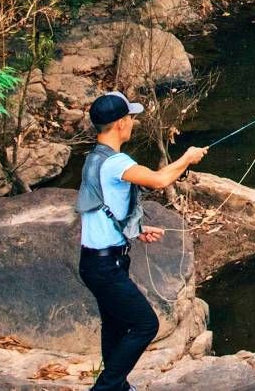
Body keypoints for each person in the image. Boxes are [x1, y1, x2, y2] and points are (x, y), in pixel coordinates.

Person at [76, 91, 207, 391]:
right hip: (105, 265)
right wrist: (187, 158)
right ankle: (106, 387)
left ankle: (117, 385)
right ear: (121, 123)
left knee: (115, 325)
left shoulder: (94, 159)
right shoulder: (115, 163)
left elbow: (100, 212)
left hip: (100, 261)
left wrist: (135, 230)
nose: (133, 123)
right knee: (146, 324)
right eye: (131, 118)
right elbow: (160, 180)